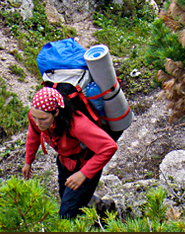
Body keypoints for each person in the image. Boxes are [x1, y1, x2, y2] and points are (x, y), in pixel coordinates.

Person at [22, 87, 117, 220]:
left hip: (85, 165)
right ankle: (101, 209)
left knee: (66, 214)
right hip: (64, 162)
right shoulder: (37, 117)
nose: (37, 123)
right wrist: (28, 161)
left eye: (42, 119)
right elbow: (33, 136)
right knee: (66, 198)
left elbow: (109, 147)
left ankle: (105, 214)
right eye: (35, 117)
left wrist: (83, 174)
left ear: (55, 112)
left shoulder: (76, 124)